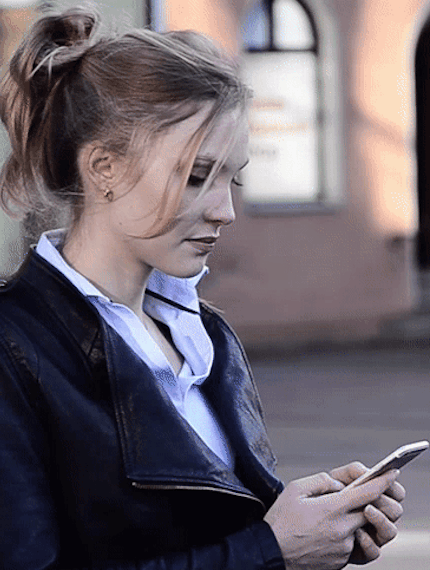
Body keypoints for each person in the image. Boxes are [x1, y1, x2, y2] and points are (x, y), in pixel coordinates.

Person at [0, 7, 405, 570]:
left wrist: (317, 526)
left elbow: (210, 530)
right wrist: (273, 550)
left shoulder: (204, 334)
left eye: (233, 178)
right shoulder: (14, 347)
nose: (225, 210)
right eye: (196, 176)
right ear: (103, 168)